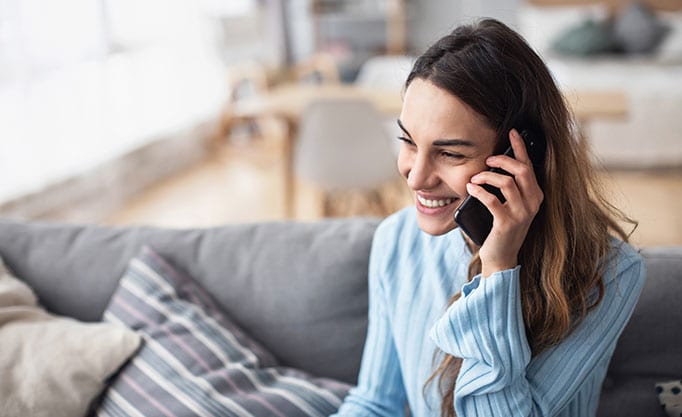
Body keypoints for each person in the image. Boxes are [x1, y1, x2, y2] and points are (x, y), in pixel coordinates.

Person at [330, 18, 646, 417]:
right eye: (408, 141)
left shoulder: (612, 274)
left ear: (521, 158)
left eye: (450, 154)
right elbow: (375, 403)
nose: (416, 175)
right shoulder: (395, 240)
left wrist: (498, 268)